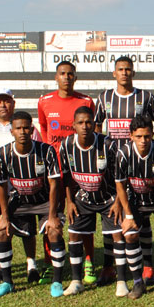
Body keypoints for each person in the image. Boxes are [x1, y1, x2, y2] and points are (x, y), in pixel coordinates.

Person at [94, 56, 154, 285]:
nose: (124, 73)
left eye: (128, 69)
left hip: (141, 163)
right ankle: (108, 265)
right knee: (114, 215)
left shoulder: (145, 97)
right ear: (114, 73)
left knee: (140, 214)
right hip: (113, 163)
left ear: (133, 72)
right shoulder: (104, 98)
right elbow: (97, 129)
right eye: (120, 69)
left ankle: (148, 266)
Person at [0, 111, 65, 298]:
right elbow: (1, 186)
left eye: (26, 128)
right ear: (11, 131)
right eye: (18, 128)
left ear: (32, 130)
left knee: (54, 229)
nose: (22, 131)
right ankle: (7, 282)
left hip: (44, 200)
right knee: (1, 231)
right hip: (19, 201)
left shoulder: (46, 151)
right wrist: (4, 216)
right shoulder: (2, 154)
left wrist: (52, 215)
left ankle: (57, 281)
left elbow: (55, 183)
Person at [37, 62, 99, 285]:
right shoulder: (44, 102)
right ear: (56, 77)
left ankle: (89, 260)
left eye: (70, 74)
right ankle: (49, 263)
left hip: (79, 169)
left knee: (83, 215)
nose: (66, 77)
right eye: (62, 74)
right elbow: (45, 131)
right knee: (51, 214)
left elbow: (93, 132)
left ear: (75, 77)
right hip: (54, 169)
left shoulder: (85, 102)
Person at [0, 88, 43, 285]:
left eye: (6, 101)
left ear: (13, 103)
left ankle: (32, 265)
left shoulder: (28, 127)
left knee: (27, 229)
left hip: (23, 189)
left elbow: (37, 154)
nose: (3, 105)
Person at [113, 115, 154, 299]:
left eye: (147, 136)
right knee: (130, 234)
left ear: (153, 135)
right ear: (131, 136)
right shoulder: (123, 153)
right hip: (136, 201)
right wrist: (128, 216)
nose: (143, 141)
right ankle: (137, 283)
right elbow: (120, 184)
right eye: (139, 136)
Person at [57, 106, 121, 296]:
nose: (85, 126)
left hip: (108, 197)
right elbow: (67, 177)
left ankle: (112, 272)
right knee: (74, 234)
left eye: (88, 122)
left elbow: (119, 176)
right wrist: (69, 201)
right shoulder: (66, 145)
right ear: (73, 125)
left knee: (115, 233)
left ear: (94, 124)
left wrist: (118, 201)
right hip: (82, 198)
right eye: (81, 123)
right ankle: (77, 281)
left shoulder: (108, 144)